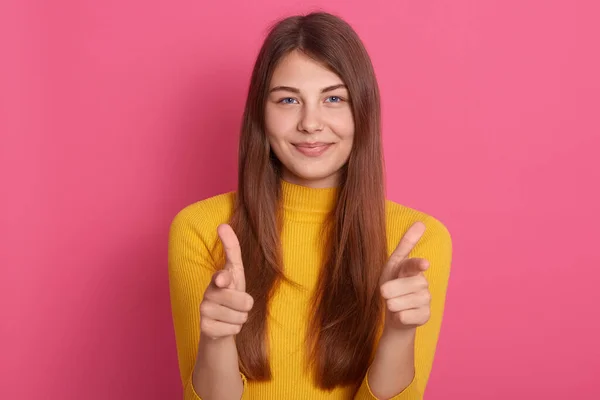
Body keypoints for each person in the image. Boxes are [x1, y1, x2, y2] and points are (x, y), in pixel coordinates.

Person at [168, 11, 452, 400]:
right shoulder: (202, 229)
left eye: (334, 98)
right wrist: (217, 341)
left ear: (362, 112)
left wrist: (399, 333)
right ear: (260, 114)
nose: (311, 123)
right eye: (288, 100)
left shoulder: (417, 240)